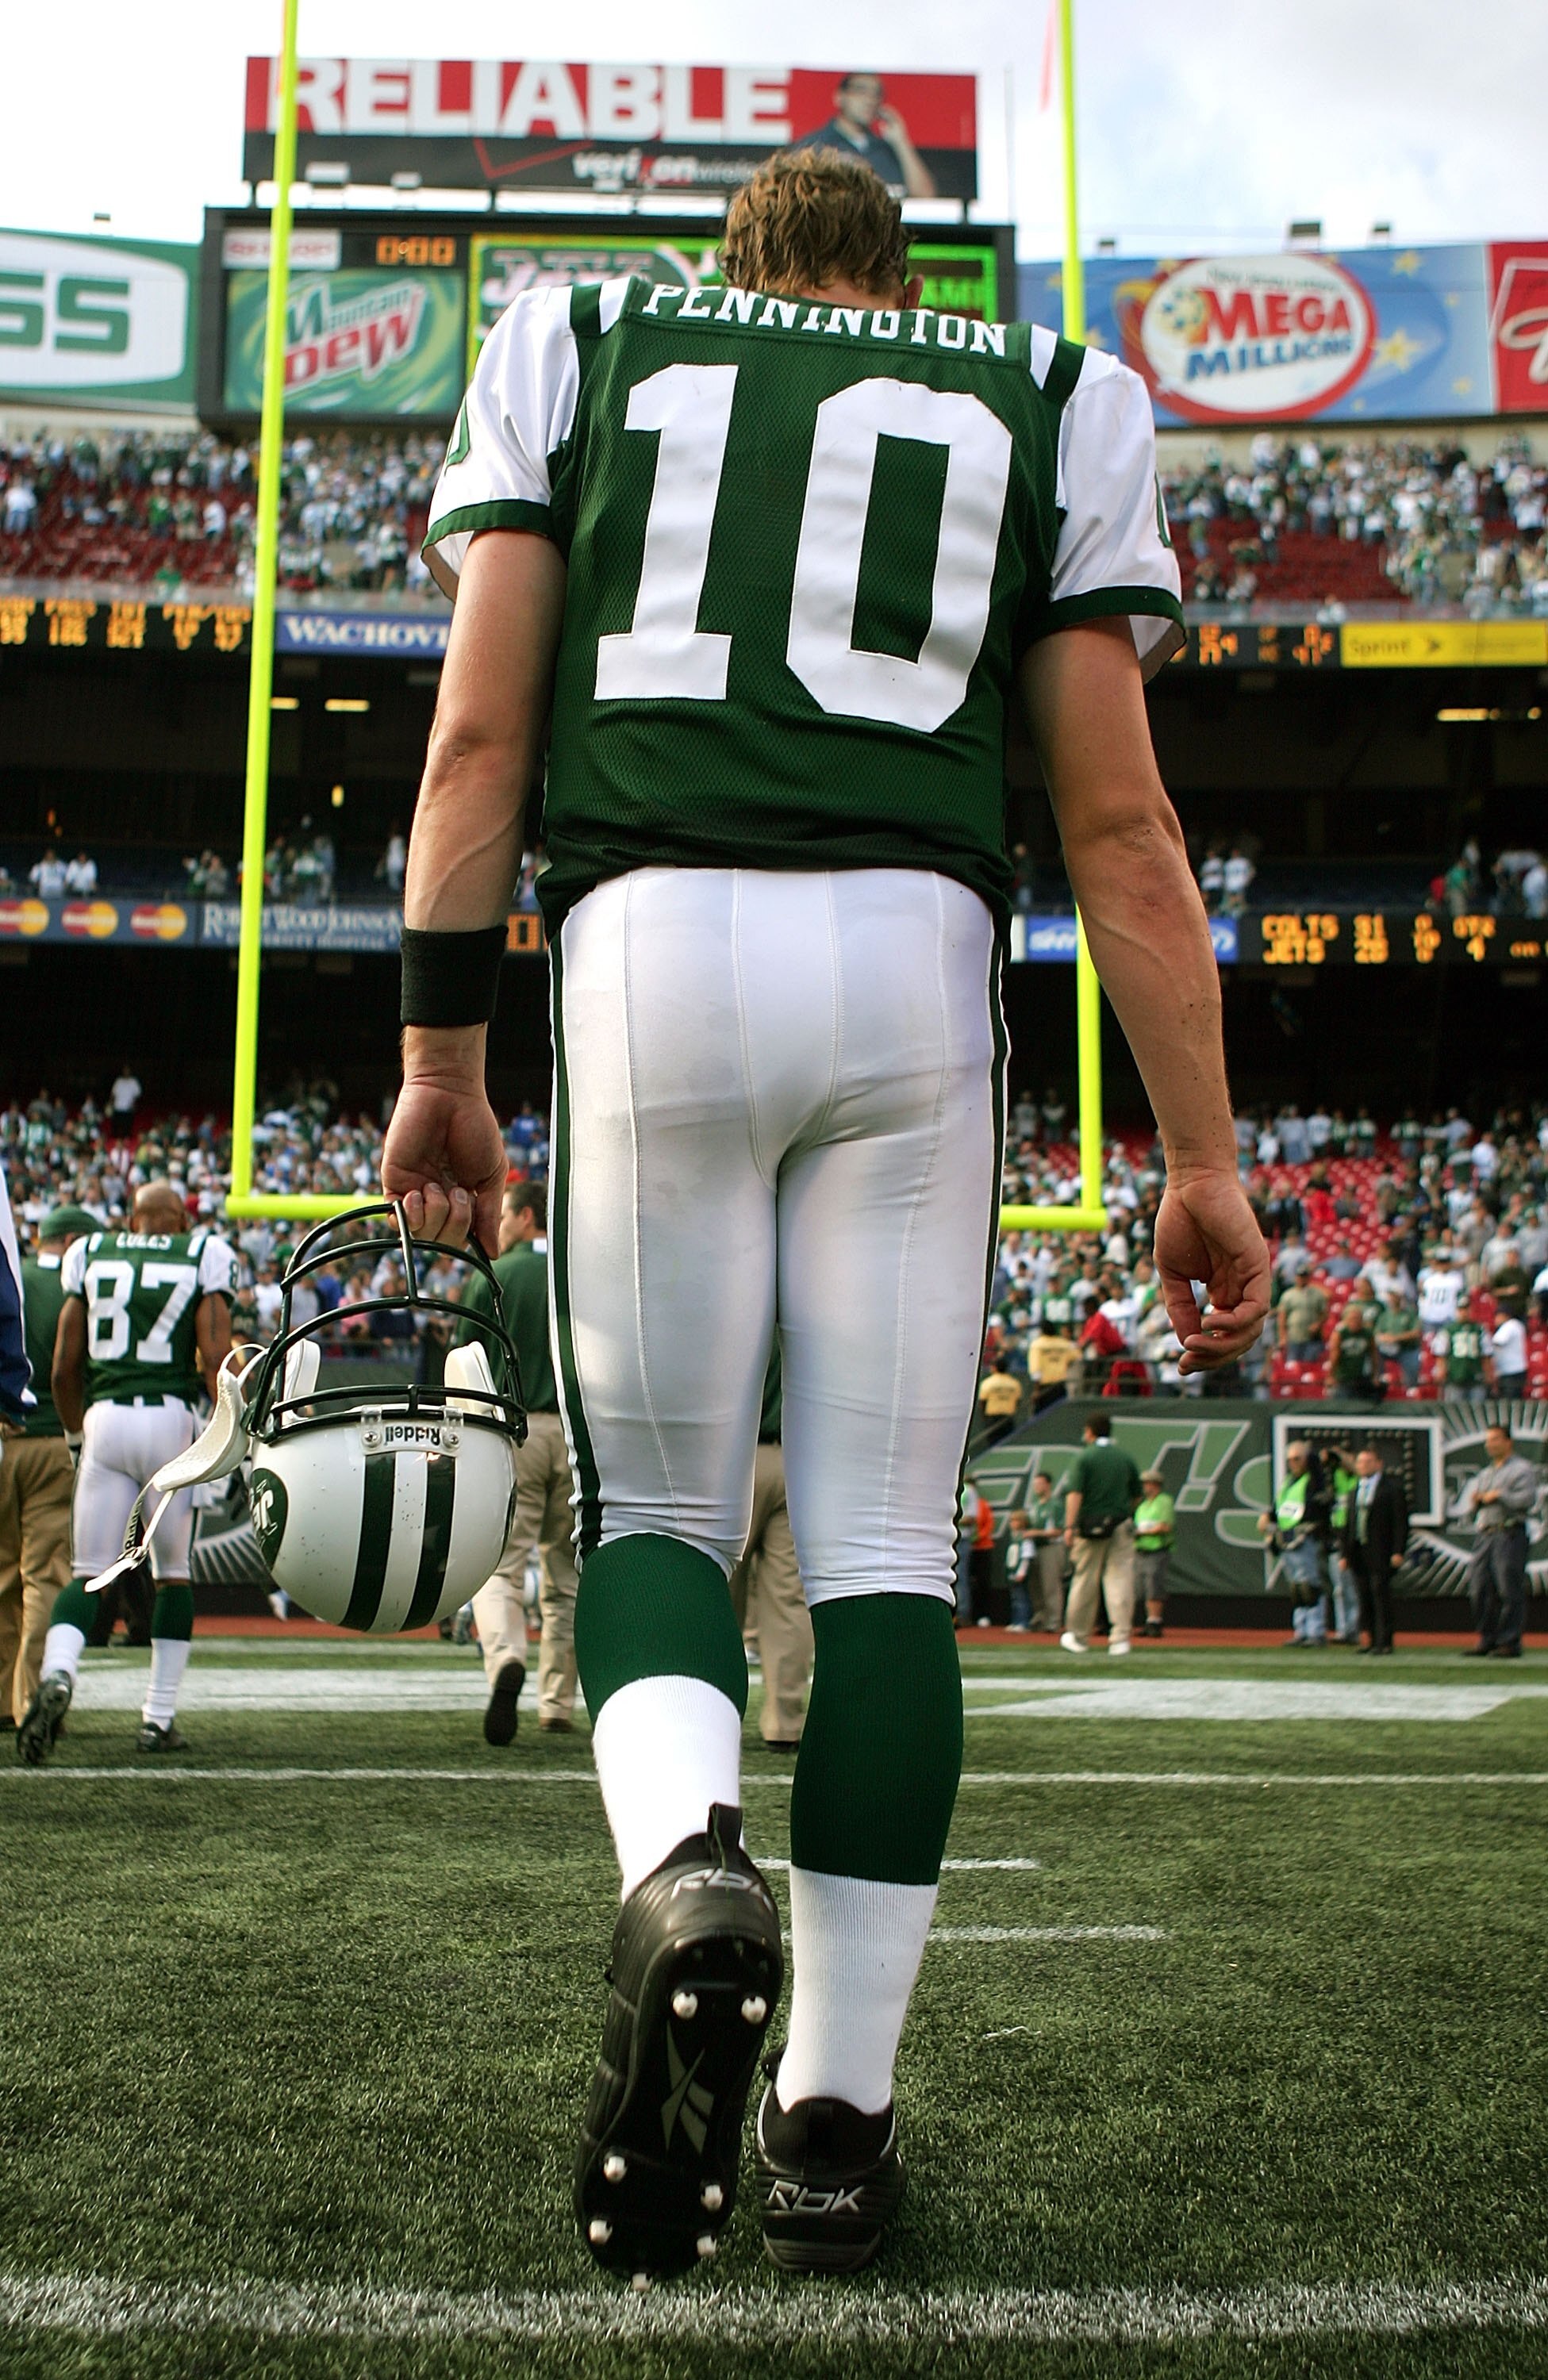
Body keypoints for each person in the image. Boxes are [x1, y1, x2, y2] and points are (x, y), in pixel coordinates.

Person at [382, 146, 1267, 2282]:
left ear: (733, 266)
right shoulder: (1047, 387)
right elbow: (1122, 830)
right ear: (897, 273)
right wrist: (1203, 1158)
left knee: (660, 1529)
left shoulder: (589, 337)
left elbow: (480, 728)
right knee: (875, 1553)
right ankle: (832, 2129)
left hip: (651, 944)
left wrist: (437, 1056)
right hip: (907, 961)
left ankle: (686, 1866)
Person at [16, 1183, 236, 1764]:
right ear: (177, 1219)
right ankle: (156, 1720)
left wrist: (74, 1436)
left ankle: (59, 1673)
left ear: (134, 1220)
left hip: (105, 1418)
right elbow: (217, 1361)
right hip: (169, 1422)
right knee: (173, 1575)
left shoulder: (89, 1253)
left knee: (88, 1571)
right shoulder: (201, 1253)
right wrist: (222, 1437)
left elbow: (64, 1366)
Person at [457, 1181, 578, 1740]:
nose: (498, 1226)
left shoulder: (495, 1275)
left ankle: (505, 1655)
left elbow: (465, 1362)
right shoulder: (583, 1270)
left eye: (505, 1215)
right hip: (579, 1440)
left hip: (516, 1433)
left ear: (526, 1216)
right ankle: (557, 1704)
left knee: (501, 1565)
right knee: (566, 1577)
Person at [0, 1207, 92, 1729]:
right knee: (45, 1577)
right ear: (75, 1241)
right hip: (52, 1440)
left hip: (2, 1437)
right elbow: (76, 1368)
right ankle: (32, 1700)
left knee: (1, 1578)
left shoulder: (11, 1277)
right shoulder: (73, 1289)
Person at [727, 1347, 813, 1749]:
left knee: (721, 1593)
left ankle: (714, 1713)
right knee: (788, 1601)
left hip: (734, 1458)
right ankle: (785, 1724)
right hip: (797, 1459)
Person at [1059, 1415, 1143, 1657]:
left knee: (1085, 1579)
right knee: (1120, 1579)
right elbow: (1136, 1495)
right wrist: (1126, 1514)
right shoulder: (1124, 1457)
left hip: (1089, 1526)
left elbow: (1075, 1494)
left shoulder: (1085, 1457)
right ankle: (1120, 1638)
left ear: (1090, 1431)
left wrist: (1069, 1527)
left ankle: (1078, 1636)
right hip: (1120, 1524)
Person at [1458, 1423, 1537, 1659]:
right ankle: (1487, 1637)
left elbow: (1528, 1500)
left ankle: (1510, 1641)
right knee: (1479, 1587)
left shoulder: (1522, 1470)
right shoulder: (1486, 1473)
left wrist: (1501, 1495)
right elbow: (1472, 1511)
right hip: (1486, 1532)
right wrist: (1475, 1502)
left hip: (1509, 1532)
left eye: (1494, 1440)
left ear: (1507, 1442)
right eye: (1488, 1440)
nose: (1489, 1445)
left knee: (1508, 1588)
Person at [796, 72, 937, 198]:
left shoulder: (887, 150)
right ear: (839, 97)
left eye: (876, 94)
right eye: (861, 91)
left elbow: (925, 197)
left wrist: (901, 142)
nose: (870, 100)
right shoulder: (813, 146)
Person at [1260, 1438, 1331, 1645]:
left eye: (1298, 1459)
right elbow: (1280, 1508)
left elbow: (1318, 1499)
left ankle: (1316, 1631)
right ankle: (1302, 1630)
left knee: (1310, 1585)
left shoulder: (1313, 1481)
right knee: (1297, 1587)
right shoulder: (1289, 1483)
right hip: (1287, 1538)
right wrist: (1268, 1518)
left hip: (1305, 1537)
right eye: (1290, 1460)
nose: (1294, 1463)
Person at [1342, 1443, 1408, 1656]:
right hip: (1359, 1549)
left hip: (1381, 1549)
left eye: (1368, 1462)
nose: (1363, 1466)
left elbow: (1400, 1523)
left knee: (1381, 1594)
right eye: (1360, 1462)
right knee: (1363, 1595)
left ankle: (1384, 1641)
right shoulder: (1354, 1491)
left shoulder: (1391, 1490)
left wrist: (1398, 1550)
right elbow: (1348, 1524)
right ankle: (1368, 1639)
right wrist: (1345, 1553)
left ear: (1379, 1464)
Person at [1133, 1464, 1175, 1638]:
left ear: (1156, 1485)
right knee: (1143, 1587)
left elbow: (1165, 1526)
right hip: (1141, 1549)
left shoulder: (1163, 1501)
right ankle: (1149, 1621)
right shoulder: (1143, 1505)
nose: (1145, 1487)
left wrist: (1142, 1532)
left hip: (1157, 1549)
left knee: (1154, 1585)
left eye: (1148, 1484)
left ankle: (1155, 1621)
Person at [1024, 1468, 1066, 1632]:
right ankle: (1040, 1618)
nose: (1037, 1487)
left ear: (1048, 1485)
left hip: (1051, 1547)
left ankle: (1054, 1622)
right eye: (1035, 1484)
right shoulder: (1034, 1506)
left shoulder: (1054, 1505)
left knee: (1051, 1585)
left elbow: (1057, 1530)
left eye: (1040, 1484)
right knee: (1036, 1586)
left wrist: (1036, 1533)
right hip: (1035, 1548)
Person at [976, 1356, 1023, 1443]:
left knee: (993, 1444)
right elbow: (1018, 1401)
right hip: (1008, 1419)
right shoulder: (1015, 1383)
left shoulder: (988, 1383)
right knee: (1007, 1443)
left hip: (992, 1419)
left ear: (994, 1368)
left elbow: (982, 1402)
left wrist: (985, 1418)